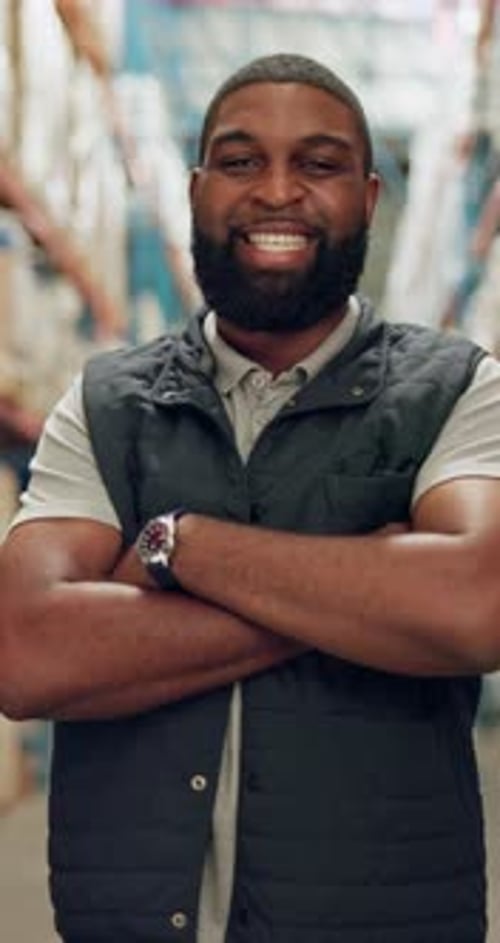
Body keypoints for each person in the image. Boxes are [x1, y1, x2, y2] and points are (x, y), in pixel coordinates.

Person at [1, 52, 500, 943]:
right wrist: (365, 591)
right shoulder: (107, 401)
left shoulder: (459, 388)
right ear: (195, 190)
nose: (277, 191)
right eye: (239, 161)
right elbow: (25, 650)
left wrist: (177, 547)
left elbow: (475, 604)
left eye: (317, 163)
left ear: (370, 196)